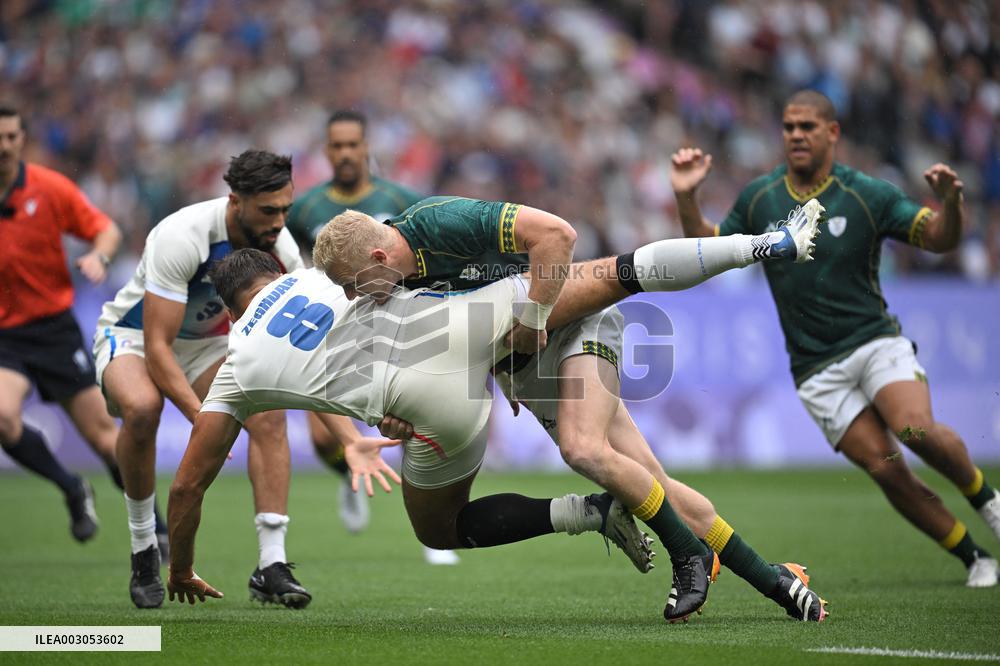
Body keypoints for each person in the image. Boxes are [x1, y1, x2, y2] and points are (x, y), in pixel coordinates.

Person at [317, 197, 829, 622]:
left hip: (572, 319)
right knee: (649, 482)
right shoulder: (392, 293)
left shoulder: (436, 223)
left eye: (350, 282)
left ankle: (769, 244)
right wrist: (408, 415)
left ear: (380, 258)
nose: (350, 296)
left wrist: (534, 316)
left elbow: (557, 234)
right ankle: (777, 583)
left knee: (582, 448)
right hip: (523, 360)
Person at [165, 250, 724, 623]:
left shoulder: (238, 358)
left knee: (441, 529)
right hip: (471, 333)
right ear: (280, 270)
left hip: (439, 411)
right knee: (615, 274)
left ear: (228, 313)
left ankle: (592, 513)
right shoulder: (322, 274)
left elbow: (189, 487)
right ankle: (753, 247)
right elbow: (414, 284)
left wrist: (181, 567)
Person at [671, 89, 1000, 588]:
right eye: (788, 126)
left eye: (807, 126)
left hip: (874, 342)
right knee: (886, 466)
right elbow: (708, 251)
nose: (796, 135)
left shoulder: (868, 193)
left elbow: (939, 238)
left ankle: (986, 501)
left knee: (913, 429)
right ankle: (975, 556)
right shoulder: (761, 198)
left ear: (832, 132)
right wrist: (686, 196)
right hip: (815, 368)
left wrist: (952, 205)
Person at [92, 150, 311, 609]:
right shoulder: (182, 234)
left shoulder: (281, 247)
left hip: (208, 345)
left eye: (286, 210)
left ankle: (271, 565)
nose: (279, 222)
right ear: (235, 201)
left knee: (269, 414)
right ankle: (143, 547)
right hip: (133, 335)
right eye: (268, 211)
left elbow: (305, 346)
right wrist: (199, 415)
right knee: (142, 408)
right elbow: (157, 346)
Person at [286, 110, 456, 565]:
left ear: (366, 148)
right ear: (326, 151)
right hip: (337, 327)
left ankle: (429, 535)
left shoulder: (399, 198)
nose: (344, 153)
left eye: (351, 145)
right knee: (325, 440)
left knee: (414, 427)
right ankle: (349, 474)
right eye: (335, 146)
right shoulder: (304, 209)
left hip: (398, 324)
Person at [0, 104, 168, 548]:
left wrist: (99, 255)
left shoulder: (48, 188)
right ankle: (72, 488)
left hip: (54, 329)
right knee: (1, 417)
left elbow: (105, 229)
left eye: (11, 136)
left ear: (22, 140)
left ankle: (156, 524)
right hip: (4, 337)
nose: (3, 146)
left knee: (103, 438)